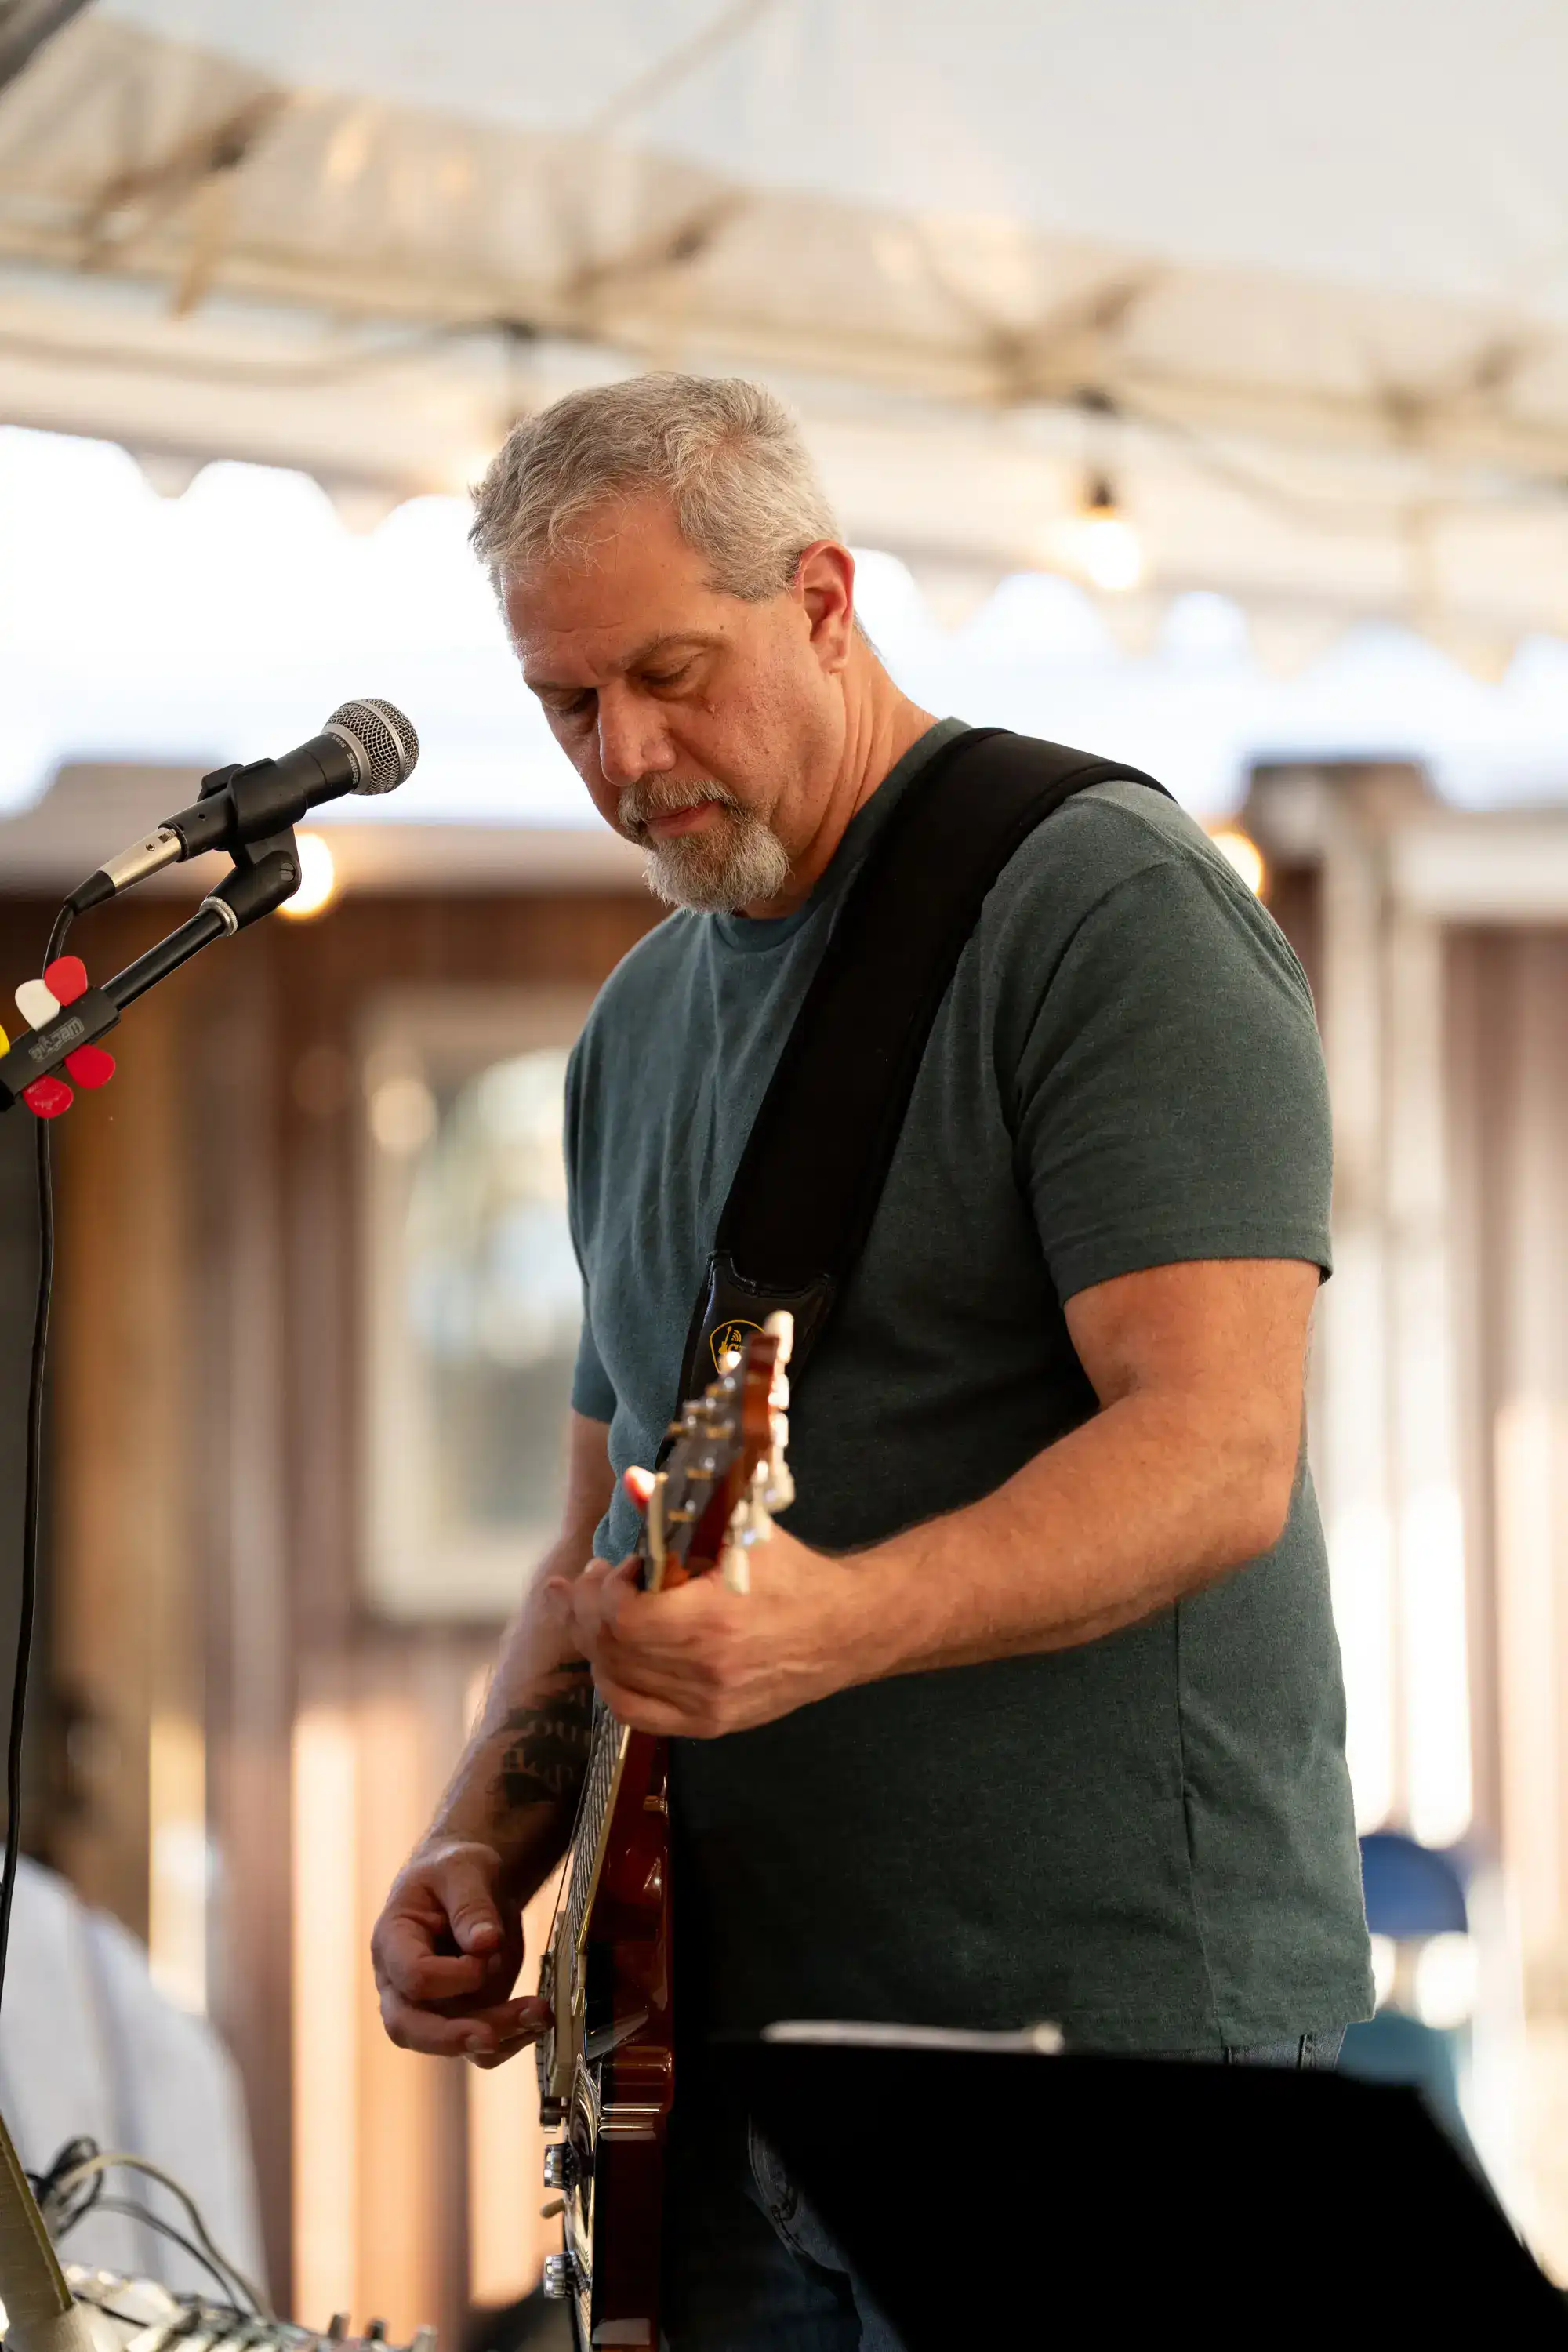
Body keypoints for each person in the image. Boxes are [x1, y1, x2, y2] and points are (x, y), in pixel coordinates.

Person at [371, 374, 1372, 2348]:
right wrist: (471, 1842)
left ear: (823, 598)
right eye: (569, 706)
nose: (627, 755)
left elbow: (1215, 1450)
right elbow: (606, 1540)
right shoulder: (637, 1028)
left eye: (671, 673)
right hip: (728, 2064)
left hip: (1096, 2051)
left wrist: (833, 1625)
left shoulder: (1104, 907)